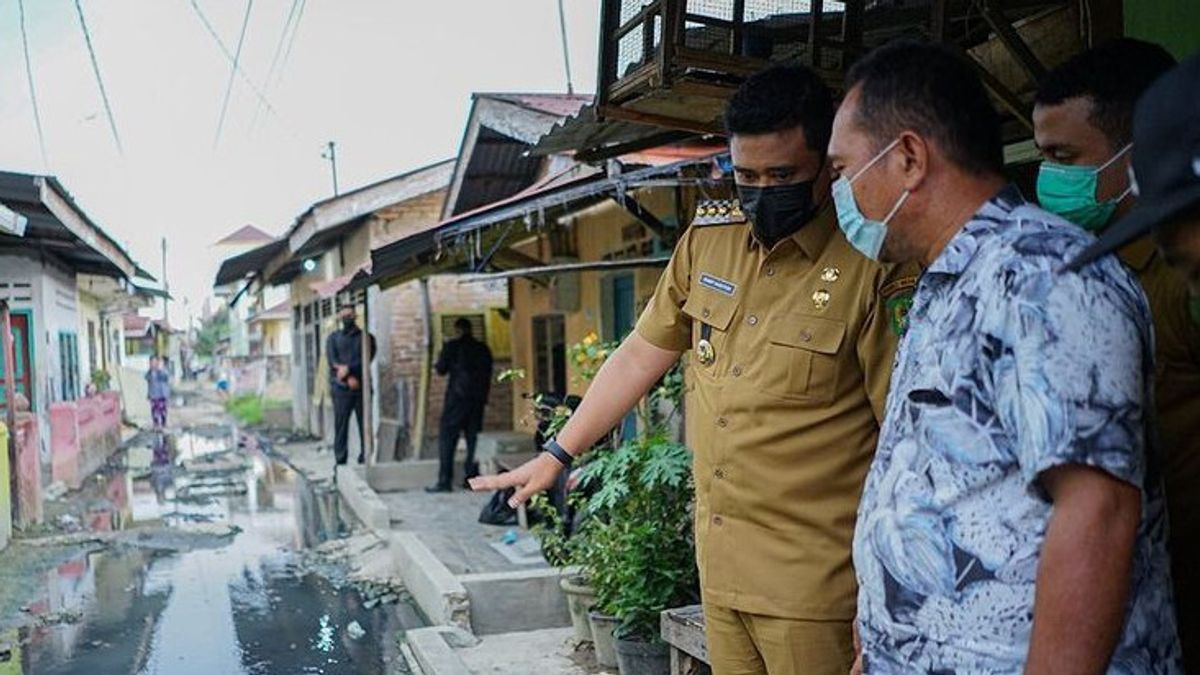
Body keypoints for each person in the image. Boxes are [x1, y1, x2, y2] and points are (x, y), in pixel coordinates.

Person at [472, 64, 918, 675]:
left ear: (826, 166)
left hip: (820, 593)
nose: (763, 191)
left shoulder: (874, 266)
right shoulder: (710, 242)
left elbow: (908, 446)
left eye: (783, 175)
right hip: (721, 574)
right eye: (747, 176)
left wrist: (892, 599)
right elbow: (638, 355)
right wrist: (557, 455)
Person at [831, 40, 1181, 673]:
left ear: (908, 157)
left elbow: (1096, 509)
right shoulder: (948, 281)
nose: (841, 192)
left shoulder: (1044, 277)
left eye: (842, 169)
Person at [1033, 38, 1200, 670]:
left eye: (1065, 156)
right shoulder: (1103, 268)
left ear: (1136, 158)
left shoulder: (1169, 289)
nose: (1051, 175)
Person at [427, 318, 494, 492]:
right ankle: (471, 480)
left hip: (456, 401)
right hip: (477, 401)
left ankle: (445, 481)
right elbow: (488, 375)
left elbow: (441, 369)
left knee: (447, 440)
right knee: (473, 441)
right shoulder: (483, 349)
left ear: (457, 330)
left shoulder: (452, 347)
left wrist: (442, 352)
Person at [326, 306, 376, 466]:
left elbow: (367, 359)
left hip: (362, 388)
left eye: (350, 315)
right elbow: (332, 361)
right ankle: (340, 461)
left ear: (355, 316)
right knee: (341, 426)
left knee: (365, 424)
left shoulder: (366, 338)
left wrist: (350, 370)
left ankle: (365, 457)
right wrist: (348, 377)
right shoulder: (333, 338)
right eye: (344, 315)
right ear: (340, 317)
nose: (347, 318)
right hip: (341, 389)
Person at [146, 355, 171, 429]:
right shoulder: (150, 372)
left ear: (157, 362)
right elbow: (147, 379)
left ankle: (164, 423)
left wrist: (160, 369)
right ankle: (156, 424)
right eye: (151, 362)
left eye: (154, 362)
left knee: (163, 410)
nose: (152, 363)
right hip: (153, 395)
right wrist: (148, 394)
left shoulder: (162, 371)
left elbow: (166, 376)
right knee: (154, 411)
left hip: (162, 395)